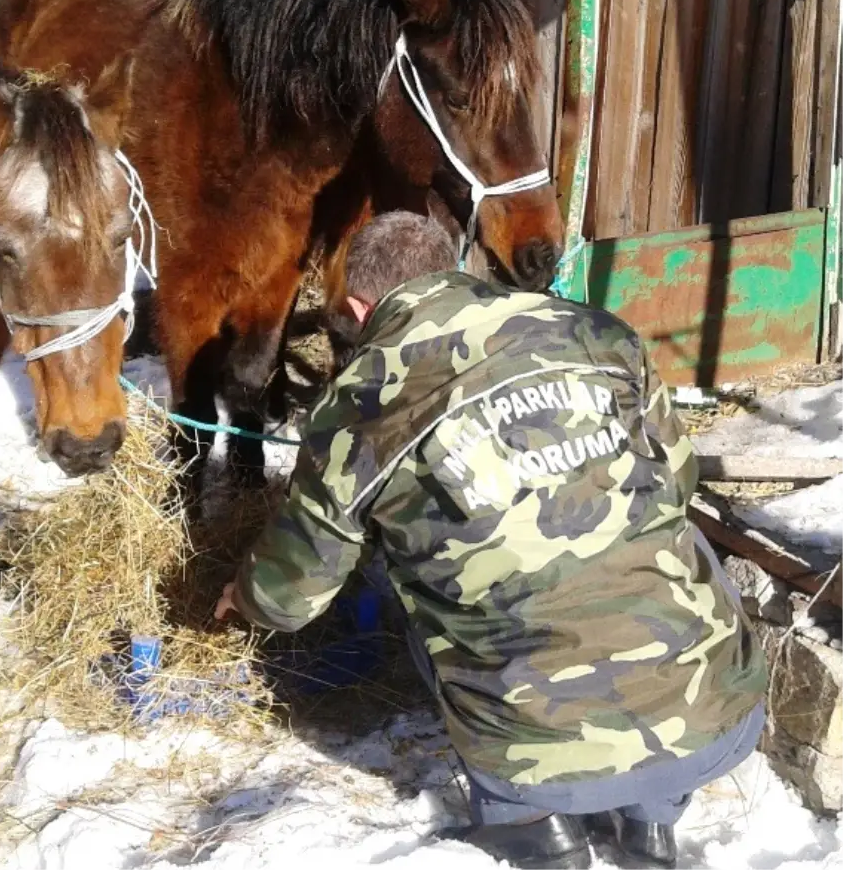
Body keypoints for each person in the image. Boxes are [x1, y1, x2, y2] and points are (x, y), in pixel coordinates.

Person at [215, 211, 767, 870]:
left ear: (362, 307)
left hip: (536, 750)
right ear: (454, 273)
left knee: (420, 587)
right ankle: (652, 819)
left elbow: (293, 595)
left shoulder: (359, 406)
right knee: (662, 537)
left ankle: (535, 828)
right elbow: (678, 479)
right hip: (719, 716)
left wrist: (245, 595)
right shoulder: (594, 331)